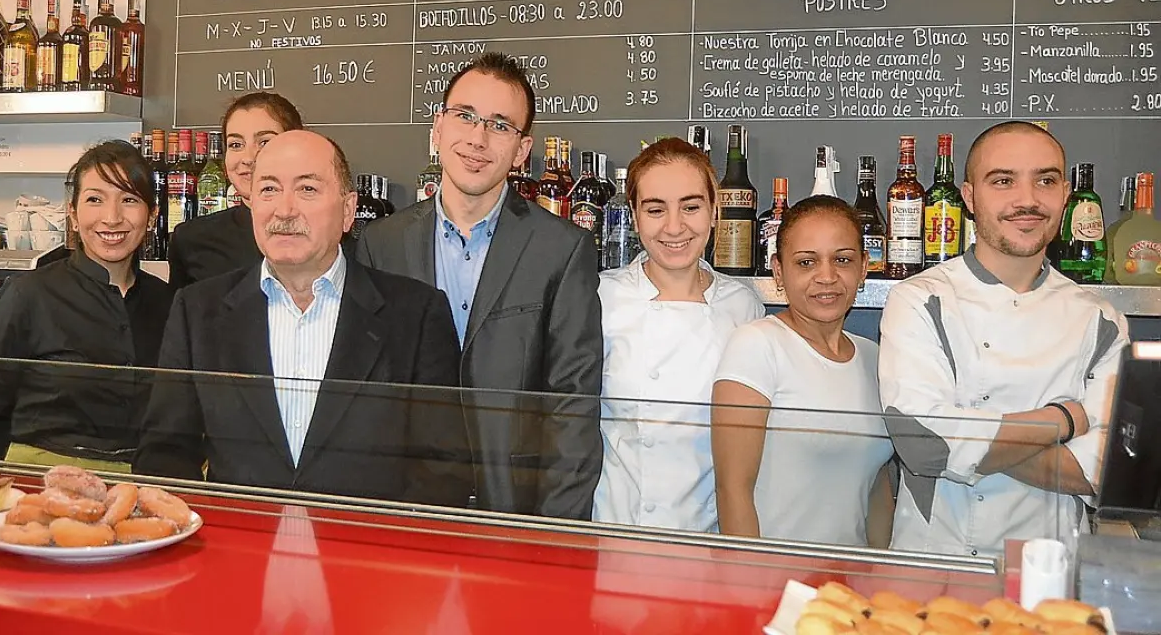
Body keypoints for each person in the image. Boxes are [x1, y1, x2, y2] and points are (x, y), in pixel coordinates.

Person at [134, 130, 472, 508]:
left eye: (307, 189)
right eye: (269, 189)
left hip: (364, 541)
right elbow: (164, 454)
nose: (284, 210)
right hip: (240, 541)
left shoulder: (416, 314)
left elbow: (444, 470)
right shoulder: (198, 311)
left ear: (348, 211)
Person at [354, 52, 603, 520]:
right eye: (465, 116)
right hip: (405, 510)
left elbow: (572, 408)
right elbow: (368, 399)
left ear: (522, 150)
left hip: (515, 509)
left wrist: (555, 537)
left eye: (499, 125)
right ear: (437, 127)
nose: (478, 138)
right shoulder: (380, 244)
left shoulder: (562, 249)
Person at [879, 121, 1130, 557]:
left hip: (1052, 569)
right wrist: (1063, 421)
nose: (1027, 200)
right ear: (969, 196)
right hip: (937, 564)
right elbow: (924, 445)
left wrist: (971, 433)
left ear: (1065, 194)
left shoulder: (1100, 320)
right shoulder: (920, 299)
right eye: (1003, 181)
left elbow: (1108, 469)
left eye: (1045, 181)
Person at [0, 140, 175, 472]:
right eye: (95, 200)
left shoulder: (171, 303)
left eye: (129, 200)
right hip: (42, 477)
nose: (112, 218)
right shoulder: (27, 295)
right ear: (73, 215)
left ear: (152, 216)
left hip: (146, 479)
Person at [594, 138, 764, 532]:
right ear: (635, 217)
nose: (674, 227)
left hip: (707, 535)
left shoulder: (743, 306)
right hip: (615, 529)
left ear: (714, 211)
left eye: (691, 207)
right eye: (655, 209)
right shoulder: (600, 298)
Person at [711, 195, 895, 546]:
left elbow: (875, 487)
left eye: (842, 259)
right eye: (806, 262)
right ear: (779, 271)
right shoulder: (757, 345)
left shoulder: (875, 358)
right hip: (775, 574)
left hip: (849, 576)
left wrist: (881, 568)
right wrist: (746, 576)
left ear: (864, 268)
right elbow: (733, 490)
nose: (826, 276)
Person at [167, 92, 302, 289]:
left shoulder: (324, 232)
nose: (248, 158)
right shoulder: (191, 239)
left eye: (264, 142)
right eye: (236, 145)